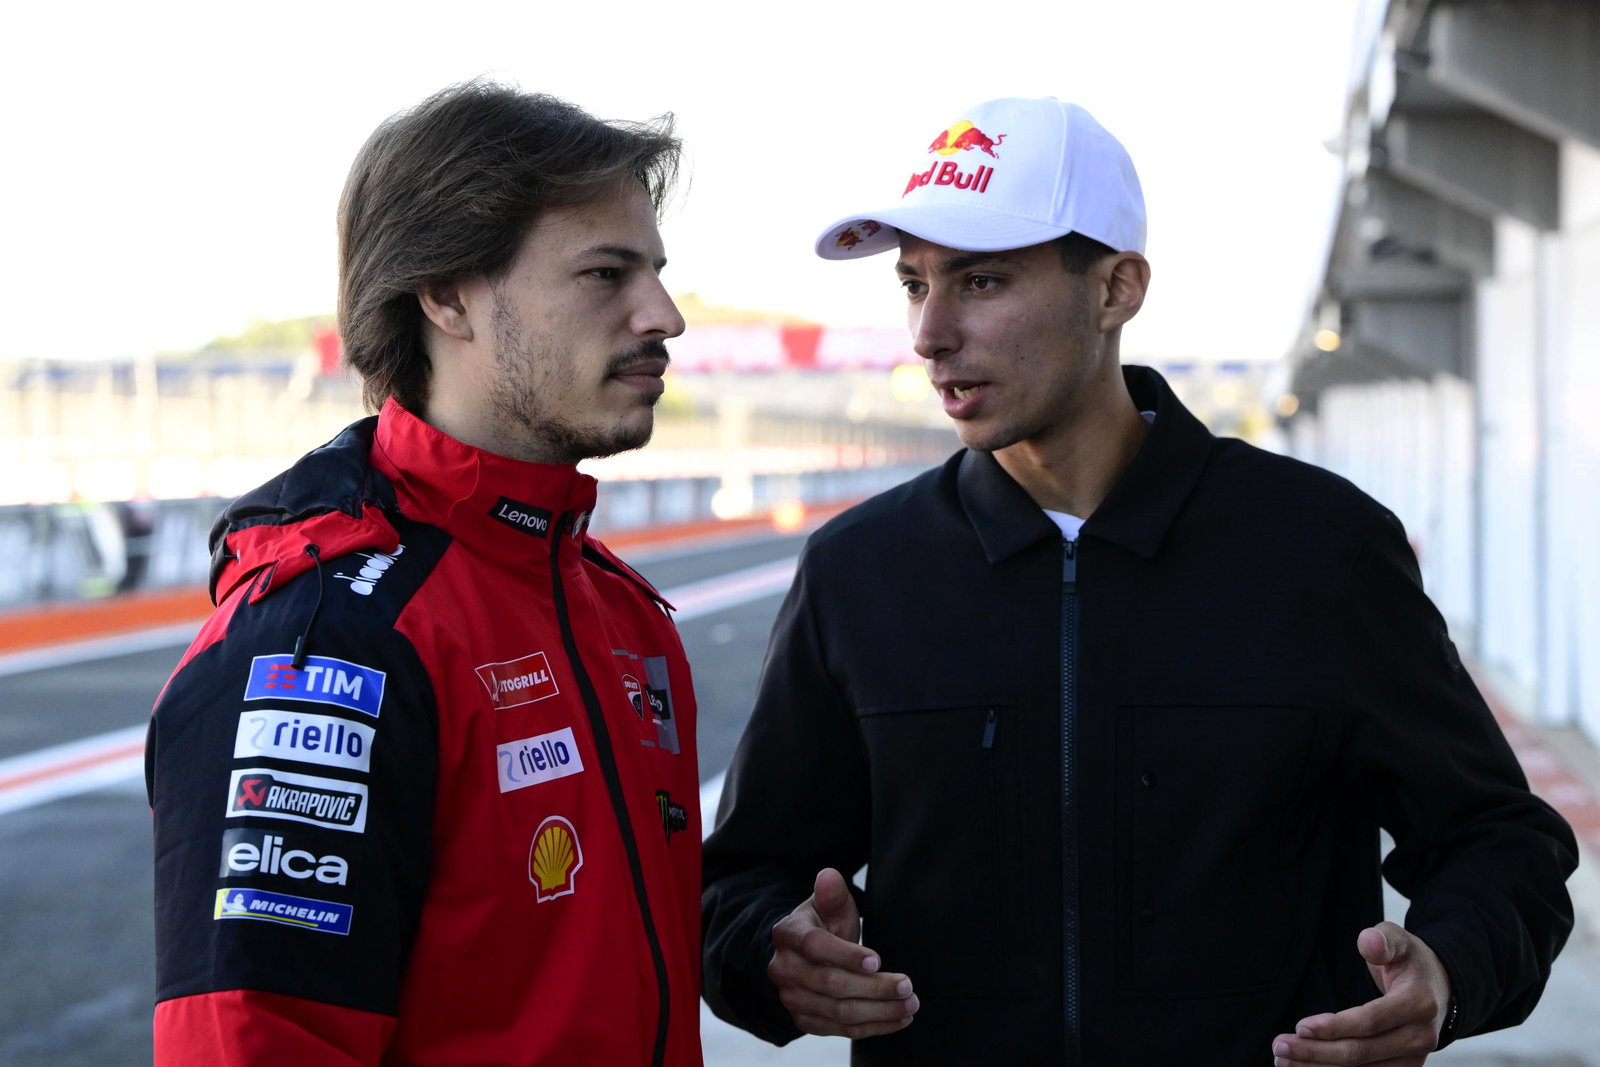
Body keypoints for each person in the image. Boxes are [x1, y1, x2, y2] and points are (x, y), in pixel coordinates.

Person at [700, 96, 1577, 1064]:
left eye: (981, 281)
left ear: (1116, 289)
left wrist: (1448, 971)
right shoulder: (859, 569)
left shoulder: (1317, 549)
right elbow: (742, 878)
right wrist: (772, 956)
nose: (929, 332)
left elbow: (1498, 838)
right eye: (913, 284)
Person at [146, 80, 703, 1066]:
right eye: (606, 273)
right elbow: (254, 1042)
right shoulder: (327, 635)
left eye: (655, 270)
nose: (662, 313)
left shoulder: (617, 606)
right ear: (446, 293)